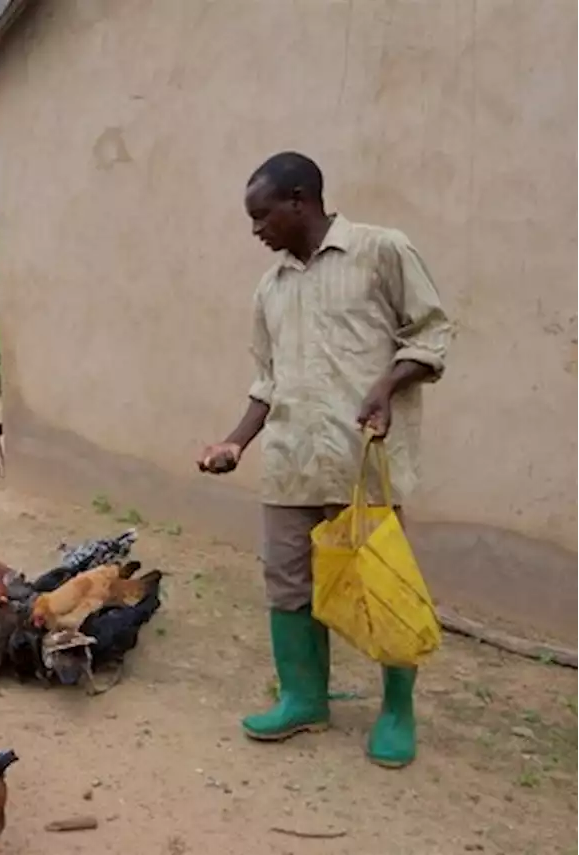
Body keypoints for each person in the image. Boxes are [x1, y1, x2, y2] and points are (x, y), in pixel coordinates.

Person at [198, 151, 453, 768]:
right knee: (287, 584)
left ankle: (396, 713)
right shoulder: (272, 286)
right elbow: (268, 381)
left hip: (360, 462)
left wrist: (386, 386)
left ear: (298, 201)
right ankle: (304, 698)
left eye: (261, 216)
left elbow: (432, 333)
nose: (256, 230)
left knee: (381, 586)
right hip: (290, 464)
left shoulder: (381, 251)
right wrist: (236, 441)